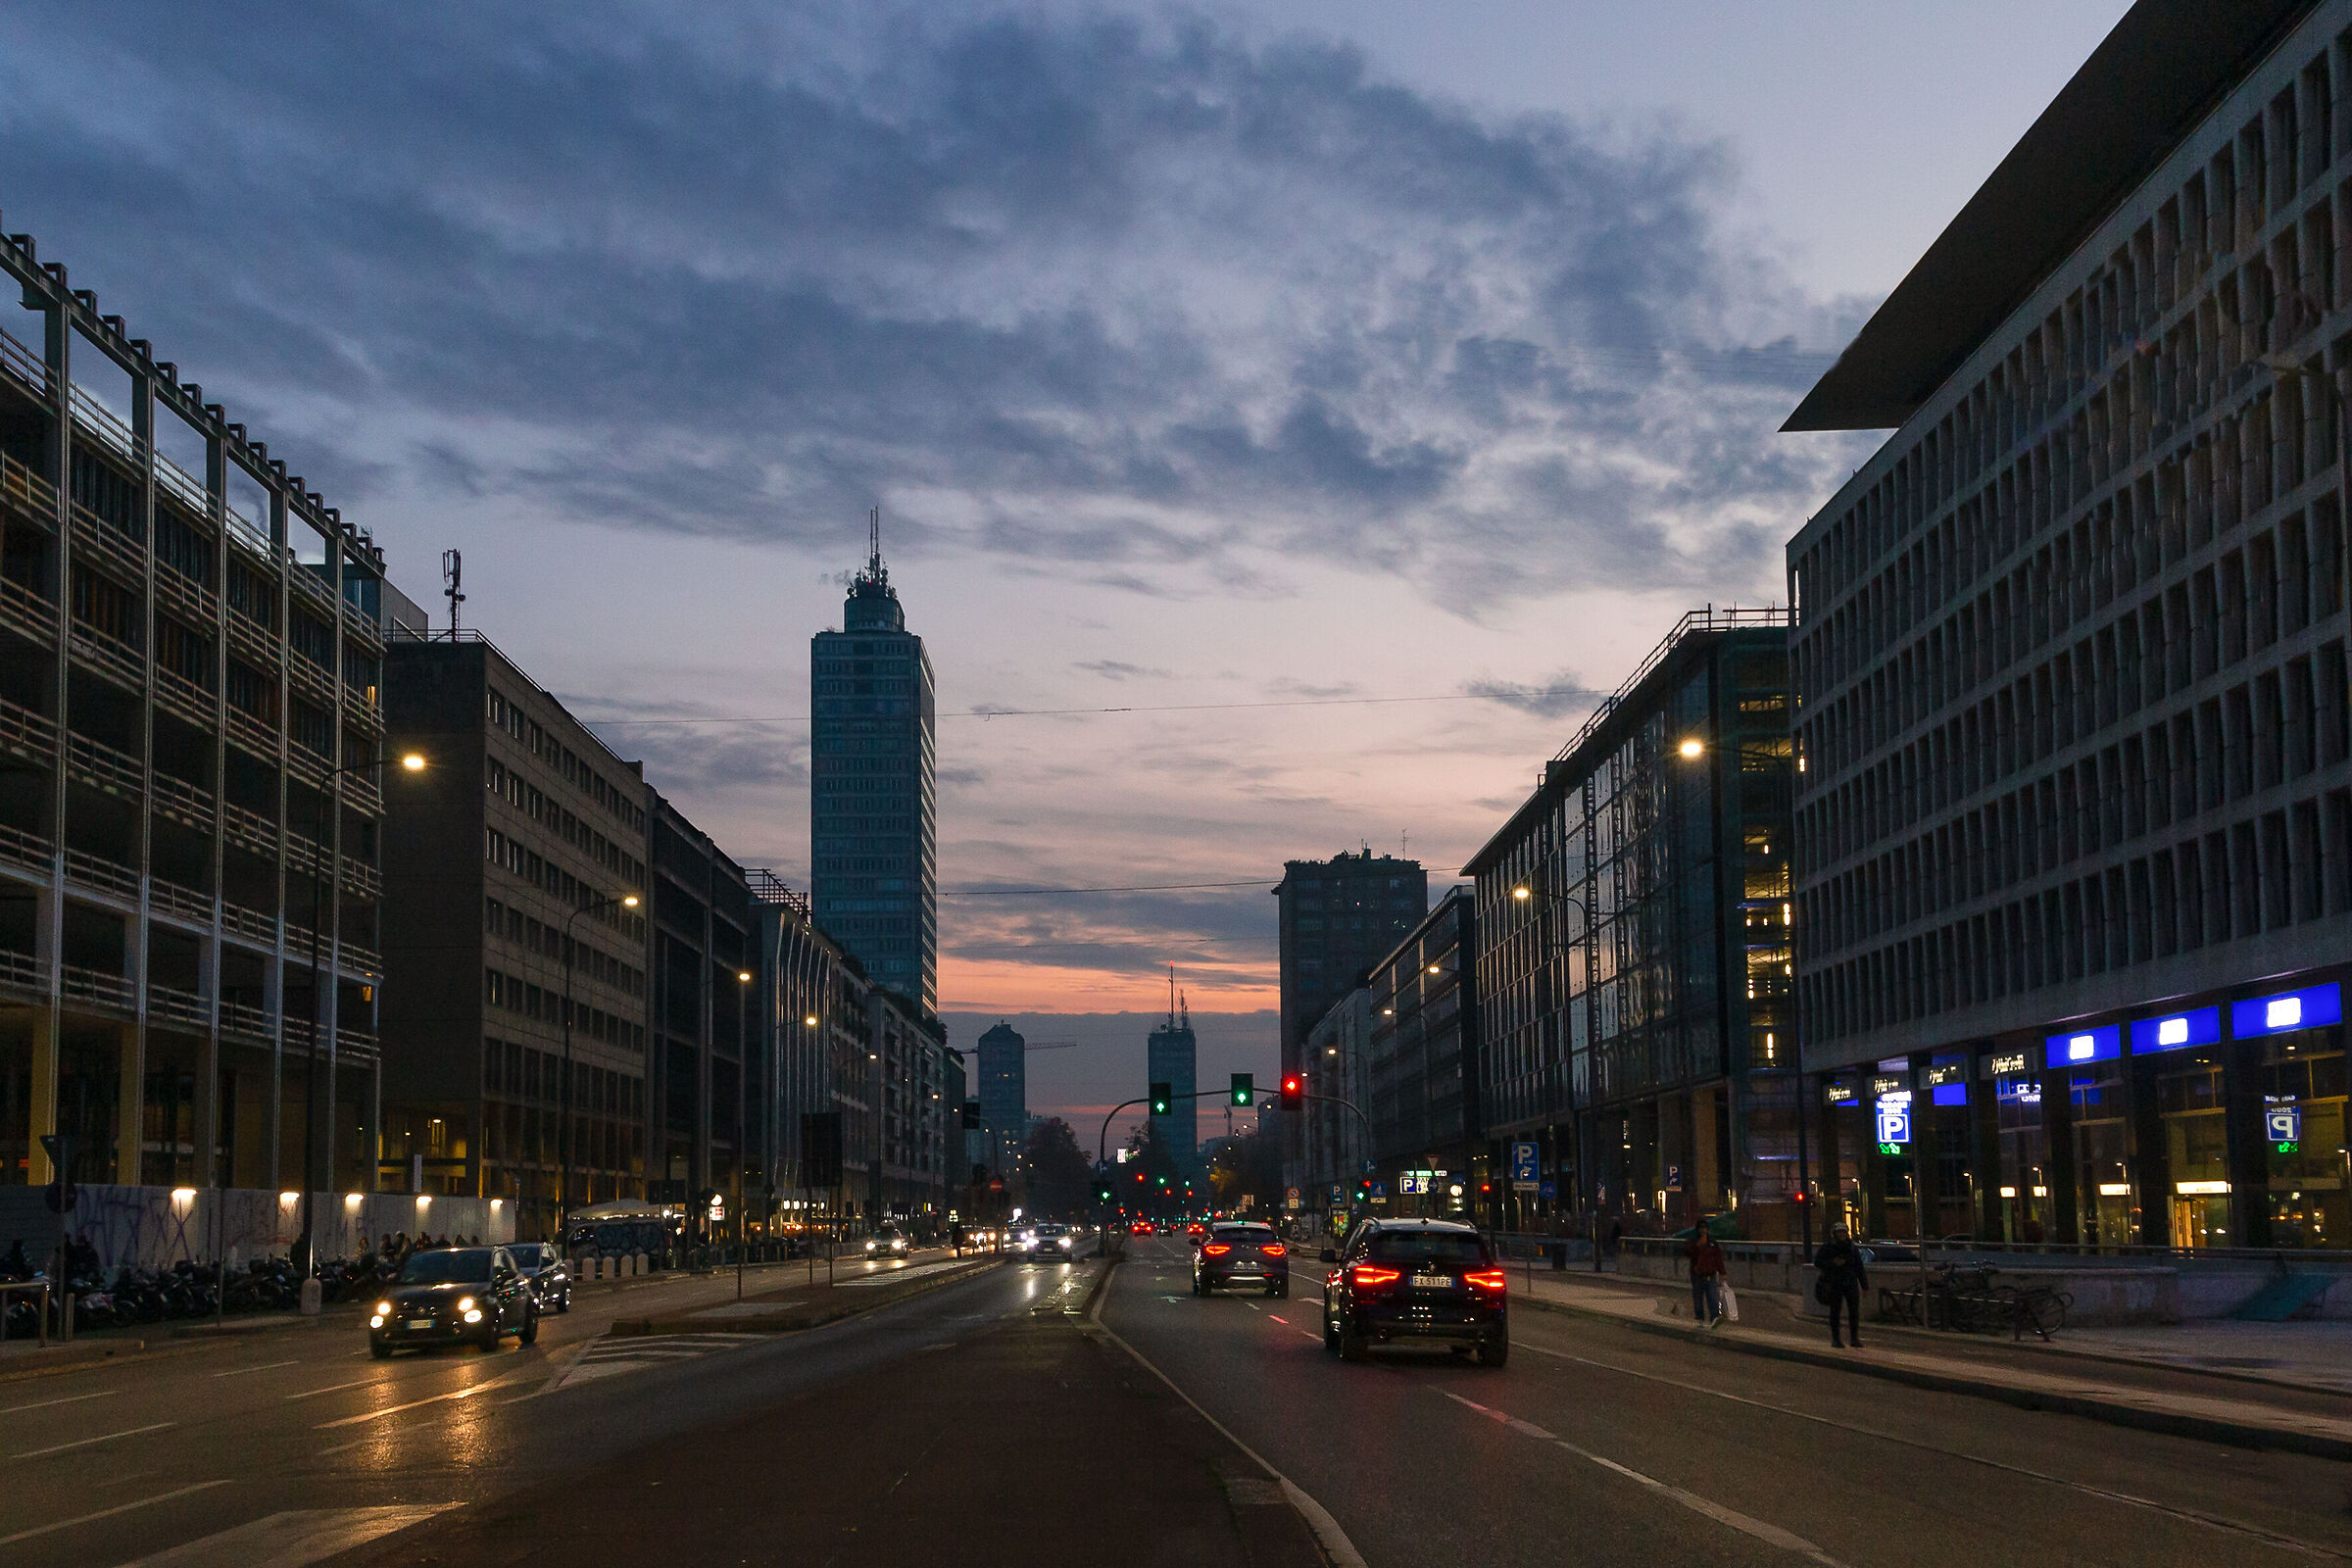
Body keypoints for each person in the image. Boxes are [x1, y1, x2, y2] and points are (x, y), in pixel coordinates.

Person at [1814, 1223, 1869, 1348]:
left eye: (1843, 1232)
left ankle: (1854, 1338)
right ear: (1834, 1234)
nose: (1842, 1235)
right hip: (1834, 1282)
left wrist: (1864, 1285)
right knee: (1835, 1311)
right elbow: (1817, 1262)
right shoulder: (1828, 1247)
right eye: (1839, 1232)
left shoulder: (1852, 1247)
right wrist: (1833, 1263)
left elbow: (1859, 1267)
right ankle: (1836, 1338)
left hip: (1850, 1282)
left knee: (1854, 1311)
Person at [1686, 1219, 1726, 1328]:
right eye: (1701, 1228)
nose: (1703, 1230)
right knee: (1698, 1298)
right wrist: (1697, 1246)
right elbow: (1688, 1253)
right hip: (1697, 1275)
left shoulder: (1712, 1243)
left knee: (1712, 1296)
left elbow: (1718, 1258)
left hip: (1710, 1274)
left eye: (1705, 1228)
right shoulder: (1693, 1241)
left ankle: (1714, 1318)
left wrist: (1722, 1272)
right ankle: (1700, 1318)